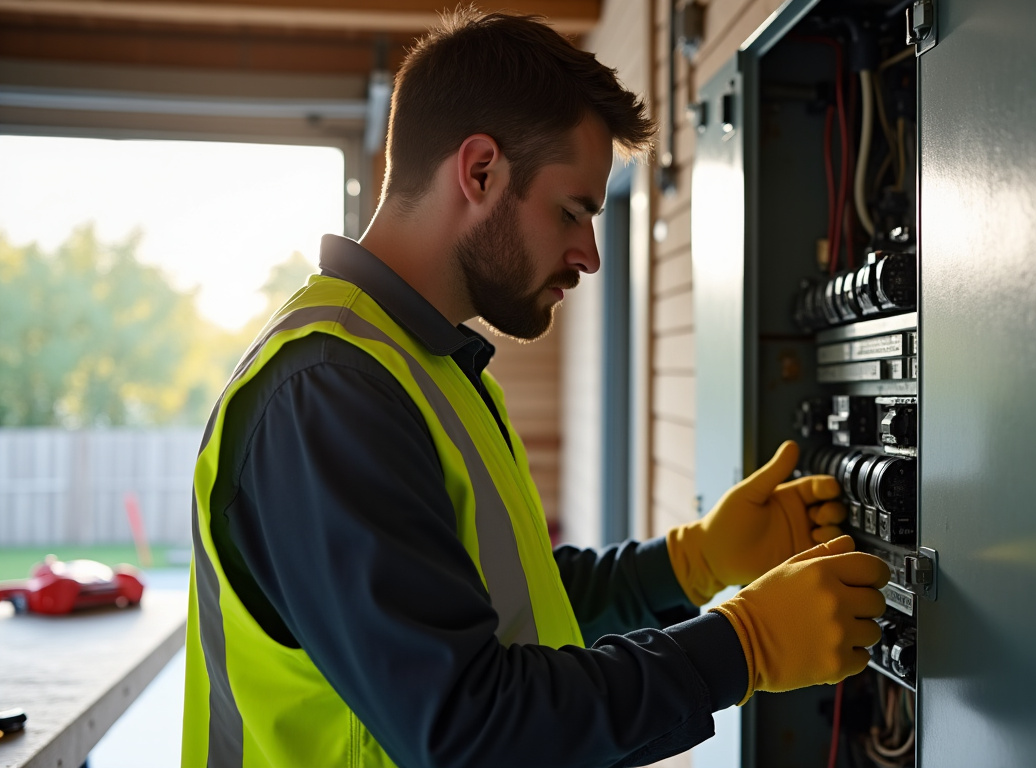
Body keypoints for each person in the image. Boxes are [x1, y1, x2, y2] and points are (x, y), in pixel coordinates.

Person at [182, 9, 891, 768]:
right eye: (573, 210)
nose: (589, 253)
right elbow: (467, 727)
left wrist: (691, 561)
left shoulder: (423, 366)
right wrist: (742, 646)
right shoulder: (327, 393)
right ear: (480, 170)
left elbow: (506, 607)